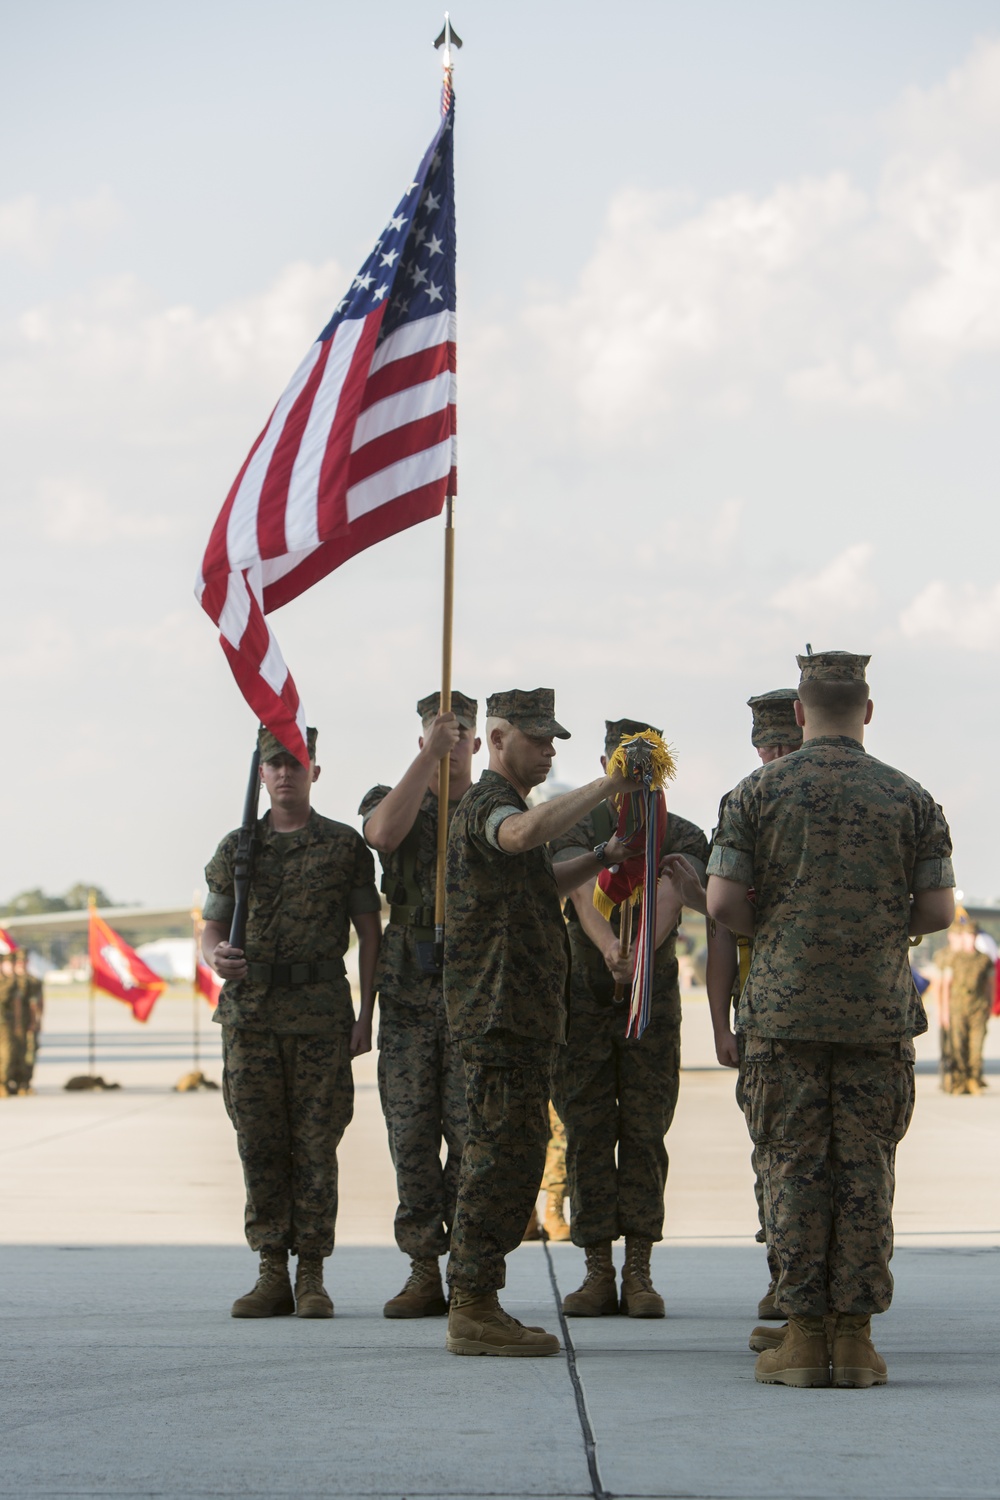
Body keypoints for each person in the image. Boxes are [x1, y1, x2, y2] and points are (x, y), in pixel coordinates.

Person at [707, 650, 954, 1389]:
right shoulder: (909, 798)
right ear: (867, 713)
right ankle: (856, 1343)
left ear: (800, 714)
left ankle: (803, 1339)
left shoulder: (756, 793)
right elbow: (938, 910)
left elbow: (720, 904)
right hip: (876, 1016)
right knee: (866, 1173)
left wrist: (781, 929)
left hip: (783, 1015)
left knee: (793, 1169)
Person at [443, 687, 639, 1356]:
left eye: (554, 737)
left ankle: (479, 1299)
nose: (550, 748)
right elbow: (522, 835)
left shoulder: (511, 810)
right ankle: (471, 1303)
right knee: (497, 1157)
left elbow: (541, 884)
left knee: (517, 1154)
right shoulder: (492, 808)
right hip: (498, 1017)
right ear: (497, 740)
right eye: (537, 738)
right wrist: (607, 781)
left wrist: (603, 855)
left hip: (521, 1019)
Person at [202, 724, 381, 1320]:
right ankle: (271, 1270)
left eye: (296, 763)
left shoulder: (343, 845)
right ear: (261, 774)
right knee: (258, 1144)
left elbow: (369, 932)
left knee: (316, 1145)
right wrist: (214, 956)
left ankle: (312, 1274)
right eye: (275, 764)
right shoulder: (237, 848)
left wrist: (365, 1015)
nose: (285, 773)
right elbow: (212, 925)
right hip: (251, 1019)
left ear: (315, 773)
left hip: (321, 1017)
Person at [549, 717, 709, 1318]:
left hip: (652, 1001)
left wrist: (639, 953)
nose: (637, 774)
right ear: (608, 762)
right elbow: (578, 894)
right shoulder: (578, 823)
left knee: (644, 1129)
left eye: (647, 762)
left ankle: (638, 1271)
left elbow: (673, 895)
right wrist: (612, 951)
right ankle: (596, 1270)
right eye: (625, 761)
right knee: (587, 1128)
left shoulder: (683, 832)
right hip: (586, 994)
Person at [360, 690, 479, 1317]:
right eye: (441, 734)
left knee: (468, 1136)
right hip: (407, 996)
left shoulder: (493, 809)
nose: (452, 744)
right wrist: (425, 764)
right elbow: (382, 834)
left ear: (478, 744)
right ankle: (421, 1268)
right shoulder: (397, 795)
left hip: (470, 993)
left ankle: (467, 1270)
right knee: (410, 1136)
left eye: (461, 735)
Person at [705, 688, 802, 1325]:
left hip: (786, 1003)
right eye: (764, 746)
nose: (772, 756)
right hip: (763, 1003)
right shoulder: (743, 804)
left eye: (783, 744)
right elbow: (718, 926)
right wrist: (720, 1022)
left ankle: (822, 1288)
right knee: (775, 1150)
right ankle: (784, 1275)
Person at [933, 911, 994, 1096]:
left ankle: (973, 1080)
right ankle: (957, 1081)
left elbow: (990, 985)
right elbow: (944, 985)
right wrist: (943, 1011)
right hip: (957, 1008)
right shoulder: (954, 958)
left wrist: (988, 1007)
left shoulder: (984, 960)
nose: (969, 938)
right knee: (956, 1046)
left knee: (976, 1046)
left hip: (977, 1008)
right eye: (966, 935)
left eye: (972, 935)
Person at [11, 950, 43, 1095]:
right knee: (10, 1053)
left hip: (28, 1022)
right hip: (9, 1024)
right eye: (18, 962)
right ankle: (9, 1082)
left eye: (24, 962)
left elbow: (39, 1003)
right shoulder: (7, 981)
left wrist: (37, 1021)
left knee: (29, 1053)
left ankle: (25, 1083)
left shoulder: (34, 981)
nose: (21, 965)